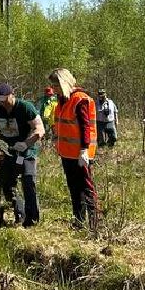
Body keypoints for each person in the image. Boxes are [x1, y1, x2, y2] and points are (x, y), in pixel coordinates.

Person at [0, 83, 45, 227]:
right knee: (7, 183)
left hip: (26, 152)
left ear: (12, 94)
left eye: (5, 99)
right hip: (6, 152)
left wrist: (26, 143)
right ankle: (19, 214)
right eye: (0, 100)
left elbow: (39, 128)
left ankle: (32, 219)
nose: (3, 103)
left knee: (28, 182)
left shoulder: (25, 107)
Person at [49, 68, 100, 230]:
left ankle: (95, 223)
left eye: (56, 85)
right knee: (74, 188)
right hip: (67, 154)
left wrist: (84, 150)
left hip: (80, 154)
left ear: (64, 83)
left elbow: (86, 127)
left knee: (86, 187)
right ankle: (78, 221)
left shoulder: (80, 100)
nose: (53, 88)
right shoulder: (62, 101)